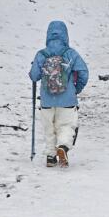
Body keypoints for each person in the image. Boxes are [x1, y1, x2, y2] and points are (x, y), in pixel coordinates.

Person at [29, 20, 89, 168]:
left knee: (49, 128)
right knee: (67, 126)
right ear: (65, 35)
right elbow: (84, 73)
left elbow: (34, 76)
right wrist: (76, 89)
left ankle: (50, 157)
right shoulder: (71, 54)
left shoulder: (41, 54)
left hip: (47, 101)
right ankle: (62, 147)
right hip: (67, 100)